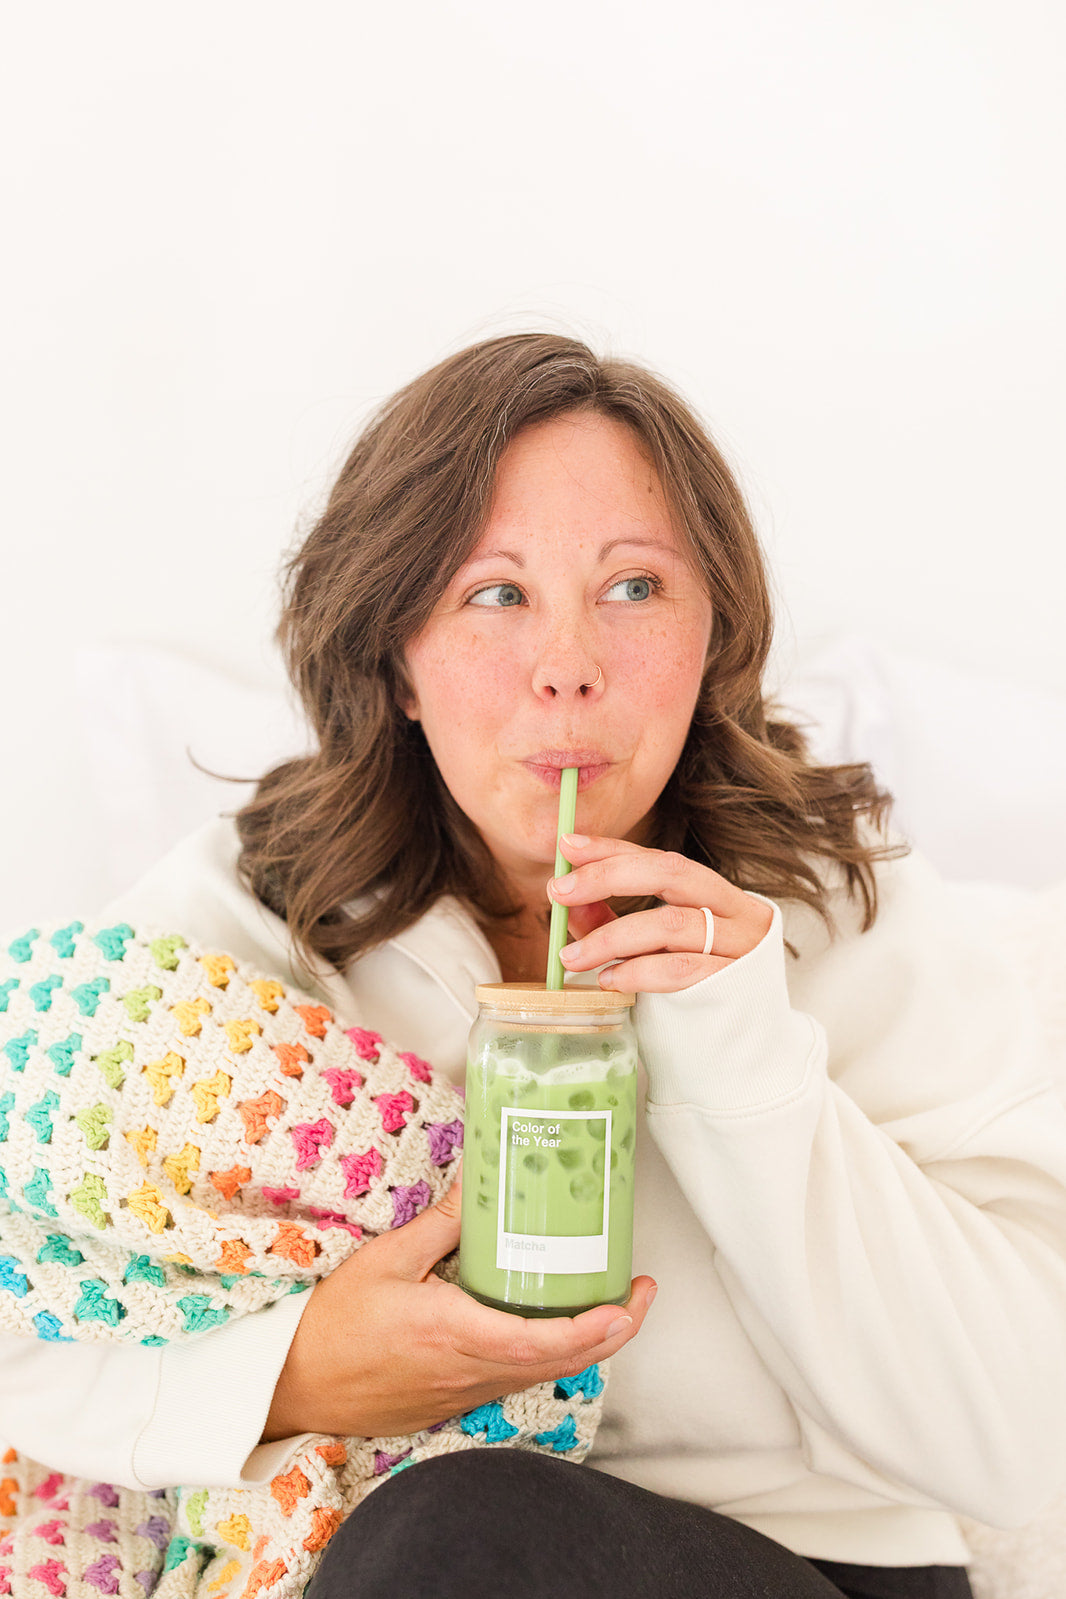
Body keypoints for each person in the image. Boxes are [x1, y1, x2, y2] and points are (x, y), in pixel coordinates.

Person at [4, 333, 1065, 1598]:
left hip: (812, 1567)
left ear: (711, 632)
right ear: (395, 655)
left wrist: (744, 1062)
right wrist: (297, 1371)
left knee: (461, 1528)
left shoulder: (841, 917)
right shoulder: (254, 920)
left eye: (633, 588)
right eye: (495, 595)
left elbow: (1023, 1446)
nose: (569, 664)